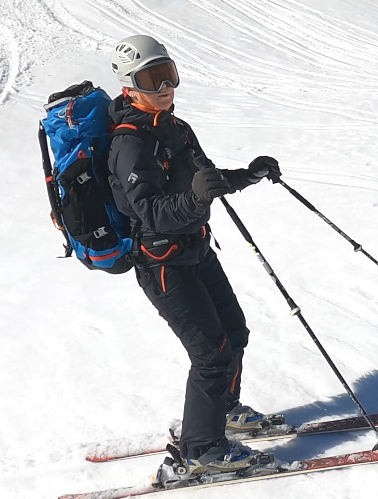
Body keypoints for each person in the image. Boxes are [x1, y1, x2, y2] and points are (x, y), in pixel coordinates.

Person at [106, 34, 282, 476]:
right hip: (163, 264)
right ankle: (202, 449)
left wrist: (247, 175)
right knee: (211, 354)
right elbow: (150, 211)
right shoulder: (129, 143)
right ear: (129, 86)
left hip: (197, 250)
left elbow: (204, 180)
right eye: (152, 78)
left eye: (169, 75)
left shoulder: (177, 127)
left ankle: (222, 411)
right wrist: (196, 201)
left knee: (234, 332)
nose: (164, 86)